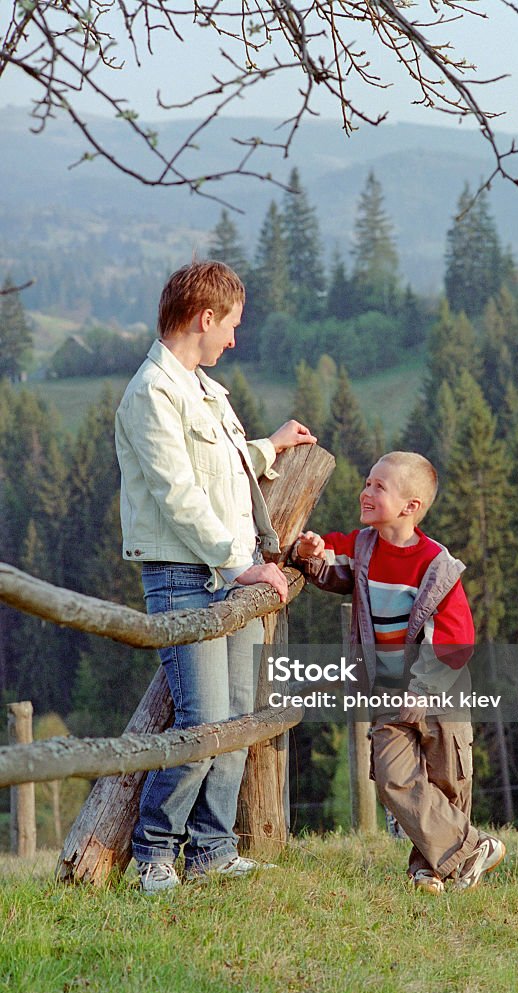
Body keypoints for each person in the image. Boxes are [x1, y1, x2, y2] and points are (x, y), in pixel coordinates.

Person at [115, 260, 316, 893]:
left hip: (224, 571)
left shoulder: (202, 389)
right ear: (204, 318)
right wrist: (240, 564)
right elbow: (178, 495)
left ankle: (212, 851)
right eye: (230, 324)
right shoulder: (151, 392)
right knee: (202, 726)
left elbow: (219, 469)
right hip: (186, 578)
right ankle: (154, 856)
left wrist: (268, 448)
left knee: (234, 723)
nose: (233, 338)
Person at [292, 451, 506, 893]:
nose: (365, 492)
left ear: (411, 507)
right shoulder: (362, 546)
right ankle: (473, 850)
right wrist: (311, 554)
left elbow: (455, 638)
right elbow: (333, 568)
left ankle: (428, 869)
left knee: (446, 780)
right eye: (367, 482)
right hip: (387, 693)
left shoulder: (437, 565)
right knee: (392, 778)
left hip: (439, 692)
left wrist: (423, 690)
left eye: (378, 487)